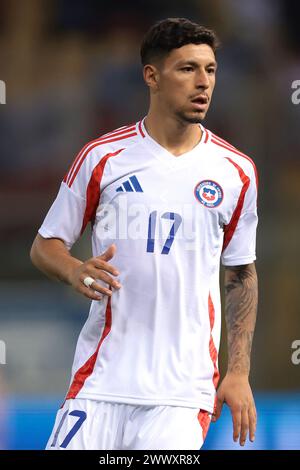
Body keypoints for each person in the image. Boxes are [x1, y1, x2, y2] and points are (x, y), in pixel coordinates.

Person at [30, 17, 258, 450]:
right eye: (187, 69)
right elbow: (44, 246)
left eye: (210, 70)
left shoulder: (236, 172)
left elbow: (241, 274)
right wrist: (75, 270)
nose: (203, 82)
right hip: (99, 381)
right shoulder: (103, 158)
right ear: (152, 76)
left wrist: (239, 371)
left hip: (180, 394)